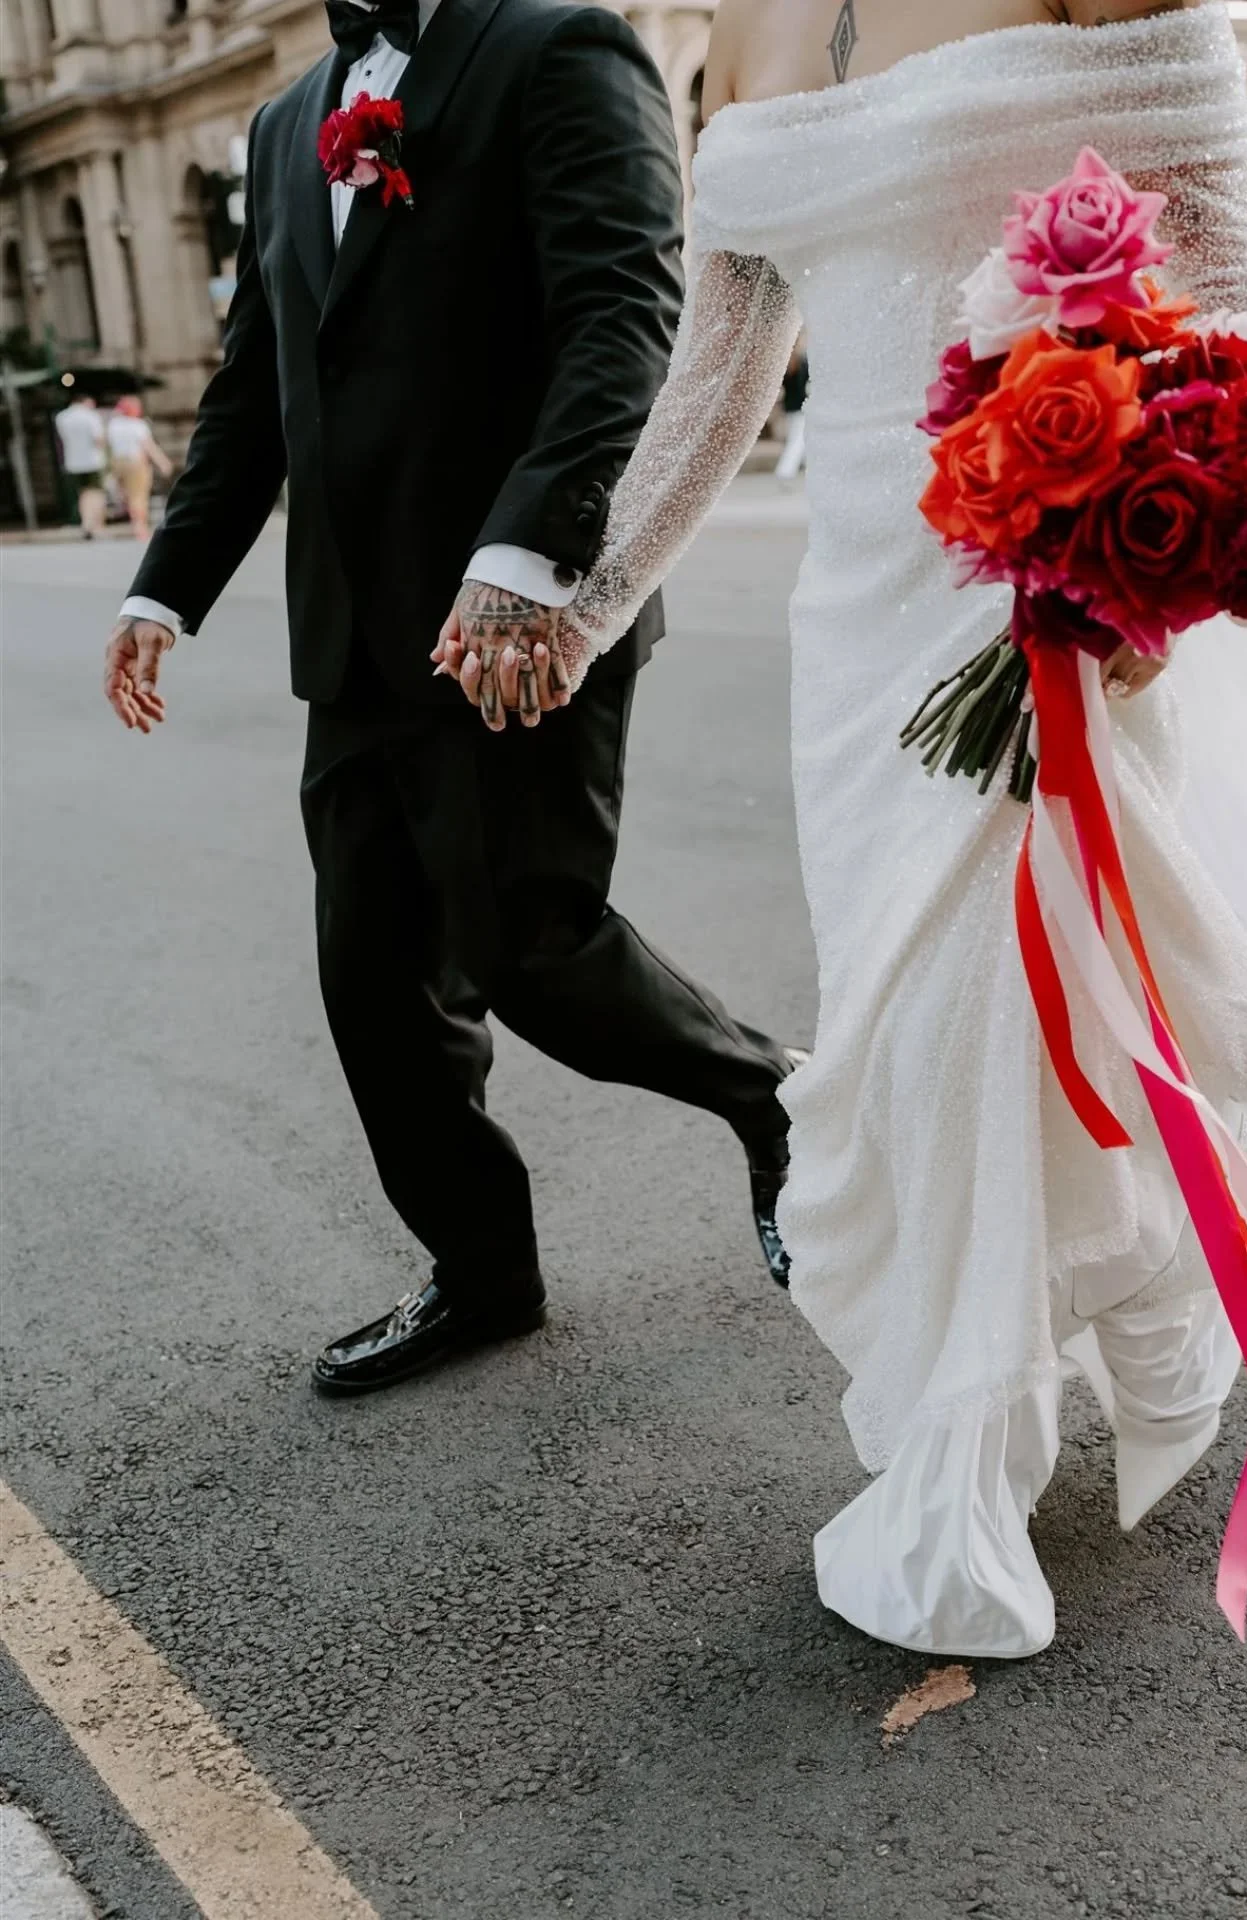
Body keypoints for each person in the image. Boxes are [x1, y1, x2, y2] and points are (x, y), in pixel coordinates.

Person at [440, 0, 1247, 1656]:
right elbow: (728, 351)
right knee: (916, 1029)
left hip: (1053, 593)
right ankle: (1155, 1301)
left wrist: (1158, 546)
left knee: (973, 999)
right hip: (860, 624)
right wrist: (585, 590)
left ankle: (962, 1471)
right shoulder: (739, 22)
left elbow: (1232, 266)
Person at [100, 0, 798, 1396]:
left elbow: (624, 316)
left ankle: (777, 1096)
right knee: (372, 981)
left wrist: (526, 557)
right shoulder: (284, 119)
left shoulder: (560, 48)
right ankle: (483, 1274)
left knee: (533, 944)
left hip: (518, 613)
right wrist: (162, 590)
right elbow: (260, 379)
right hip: (353, 637)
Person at [105, 395, 174, 541]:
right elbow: (148, 446)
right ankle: (140, 527)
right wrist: (163, 462)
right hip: (135, 463)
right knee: (139, 496)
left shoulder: (113, 425)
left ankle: (135, 524)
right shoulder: (137, 425)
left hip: (118, 463)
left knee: (129, 496)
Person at [53, 392, 108, 538]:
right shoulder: (91, 416)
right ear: (86, 402)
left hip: (73, 461)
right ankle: (93, 524)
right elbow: (99, 440)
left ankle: (86, 522)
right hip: (93, 461)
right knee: (96, 493)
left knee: (82, 493)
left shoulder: (61, 417)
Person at [776, 344, 809, 484]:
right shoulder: (800, 363)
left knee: (801, 439)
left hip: (791, 408)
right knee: (797, 440)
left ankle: (806, 466)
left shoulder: (785, 366)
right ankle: (785, 470)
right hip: (800, 408)